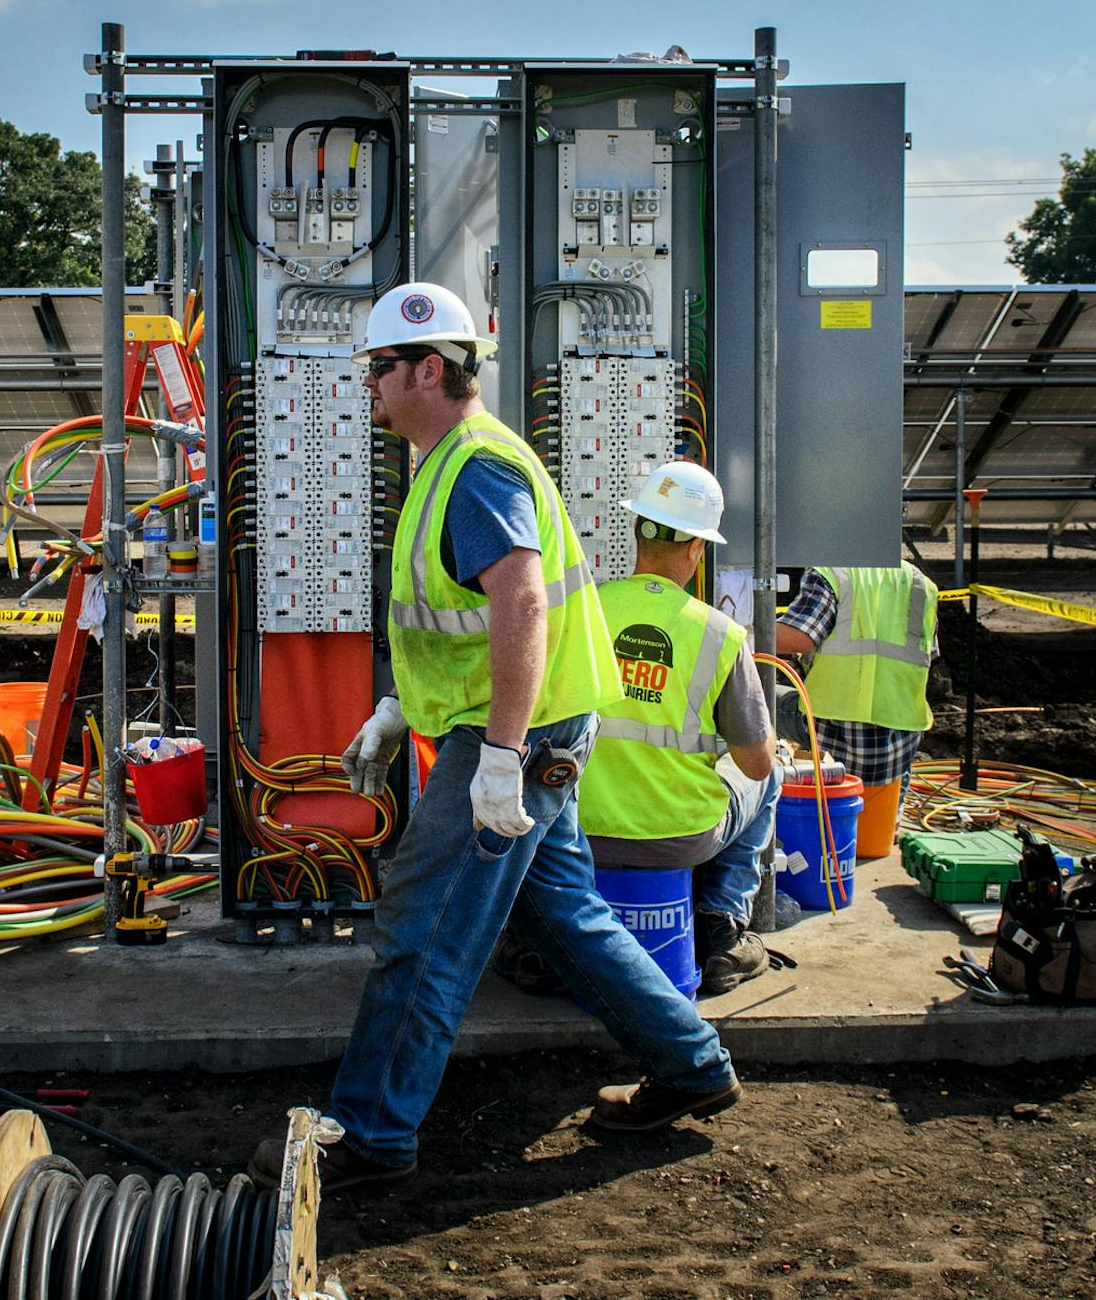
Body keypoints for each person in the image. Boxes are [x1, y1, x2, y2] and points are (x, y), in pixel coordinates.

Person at [250, 282, 740, 1193]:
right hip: (515, 728)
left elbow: (519, 603)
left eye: (381, 368)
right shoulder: (452, 461)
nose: (370, 385)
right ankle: (694, 1066)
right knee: (566, 916)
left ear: (428, 369)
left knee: (423, 930)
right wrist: (405, 707)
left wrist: (504, 759)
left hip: (513, 737)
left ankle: (370, 1132)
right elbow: (471, 615)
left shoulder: (474, 466)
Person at [572, 460, 779, 995]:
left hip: (580, 834)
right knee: (773, 776)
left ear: (638, 530)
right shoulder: (720, 635)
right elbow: (754, 763)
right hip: (678, 837)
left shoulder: (584, 612)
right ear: (696, 549)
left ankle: (538, 940)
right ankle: (722, 928)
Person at [773, 562, 940, 858]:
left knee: (761, 697)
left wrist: (739, 629)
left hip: (835, 727)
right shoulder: (921, 582)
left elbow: (800, 636)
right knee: (889, 784)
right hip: (902, 732)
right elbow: (930, 652)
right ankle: (885, 825)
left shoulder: (831, 573)